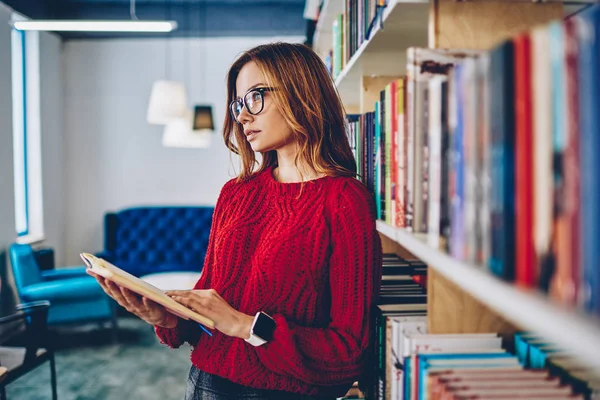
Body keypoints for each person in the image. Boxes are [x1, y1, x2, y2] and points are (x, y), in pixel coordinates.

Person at [89, 42, 383, 400]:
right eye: (239, 103)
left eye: (255, 97)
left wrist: (247, 326)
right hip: (204, 384)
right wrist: (170, 318)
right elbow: (210, 307)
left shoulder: (344, 201)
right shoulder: (236, 193)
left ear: (302, 92)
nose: (243, 116)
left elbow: (348, 349)